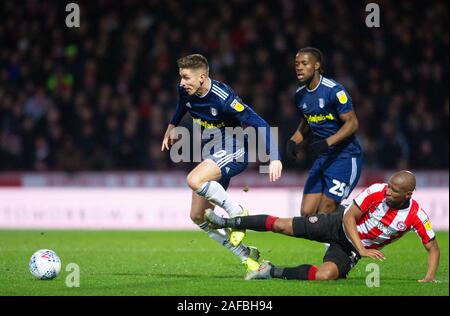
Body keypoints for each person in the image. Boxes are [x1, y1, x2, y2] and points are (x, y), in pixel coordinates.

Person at [161, 54, 283, 271]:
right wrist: (171, 127)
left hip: (235, 150)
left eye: (186, 78)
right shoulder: (185, 91)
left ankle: (237, 211)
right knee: (198, 216)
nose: (181, 83)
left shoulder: (223, 98)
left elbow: (260, 123)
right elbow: (182, 105)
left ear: (202, 77)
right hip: (213, 153)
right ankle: (246, 254)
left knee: (193, 179)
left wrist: (275, 157)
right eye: (181, 77)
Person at [204, 170, 440, 282]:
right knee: (282, 225)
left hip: (349, 249)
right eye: (389, 187)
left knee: (326, 275)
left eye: (394, 191)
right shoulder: (377, 191)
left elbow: (433, 248)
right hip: (337, 224)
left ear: (408, 194)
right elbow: (349, 218)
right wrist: (363, 249)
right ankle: (226, 221)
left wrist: (429, 277)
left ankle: (269, 271)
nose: (388, 192)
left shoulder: (416, 215)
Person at [285, 47, 363, 216]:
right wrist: (293, 142)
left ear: (316, 66)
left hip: (345, 157)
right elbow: (306, 122)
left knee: (326, 211)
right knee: (306, 212)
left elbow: (352, 123)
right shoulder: (300, 95)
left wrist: (328, 142)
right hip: (323, 157)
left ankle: (345, 221)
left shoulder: (334, 90)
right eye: (297, 63)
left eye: (304, 63)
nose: (299, 67)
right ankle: (339, 215)